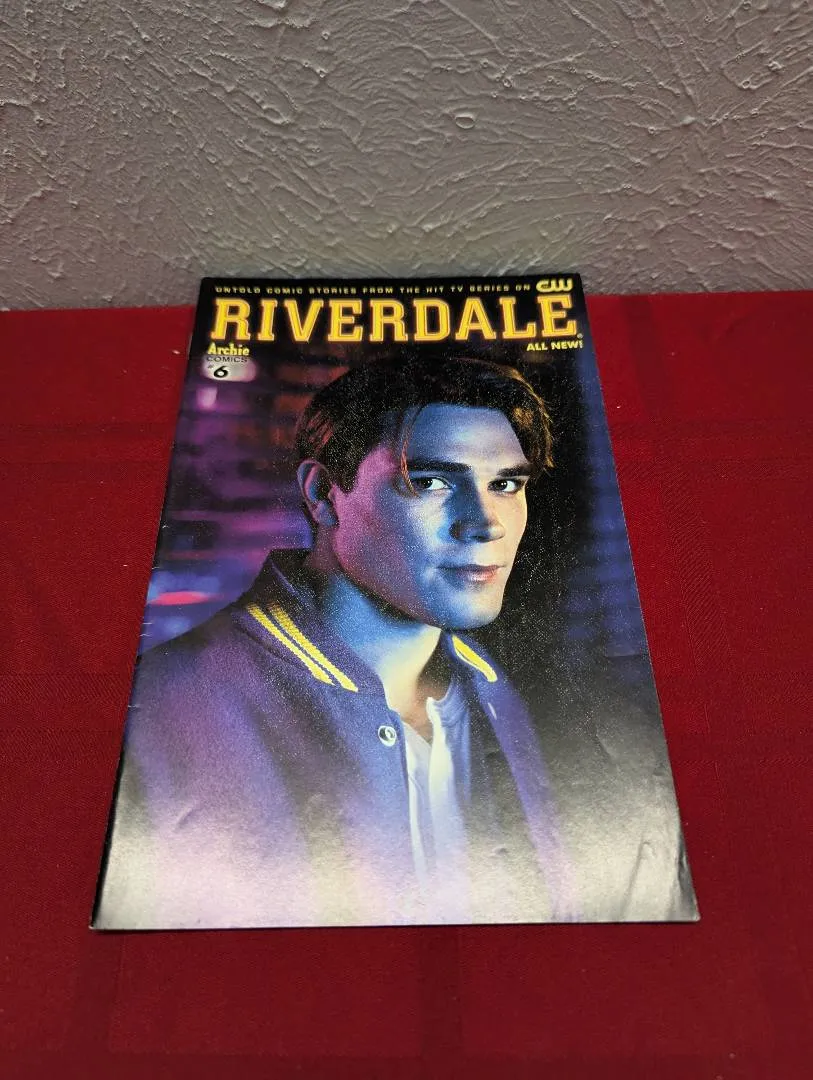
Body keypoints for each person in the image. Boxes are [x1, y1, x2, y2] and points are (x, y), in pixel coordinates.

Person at [94, 356, 578, 929]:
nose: (486, 523)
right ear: (323, 493)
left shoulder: (508, 697)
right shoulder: (161, 705)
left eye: (505, 484)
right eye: (429, 482)